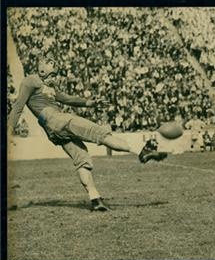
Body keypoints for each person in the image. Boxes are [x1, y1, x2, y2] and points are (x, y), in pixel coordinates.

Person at [7, 58, 167, 212]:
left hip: (53, 130)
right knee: (99, 132)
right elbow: (18, 107)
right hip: (57, 120)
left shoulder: (49, 86)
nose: (54, 78)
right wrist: (8, 131)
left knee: (81, 159)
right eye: (52, 74)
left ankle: (95, 199)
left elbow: (68, 99)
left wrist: (90, 103)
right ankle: (141, 151)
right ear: (42, 70)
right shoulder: (30, 81)